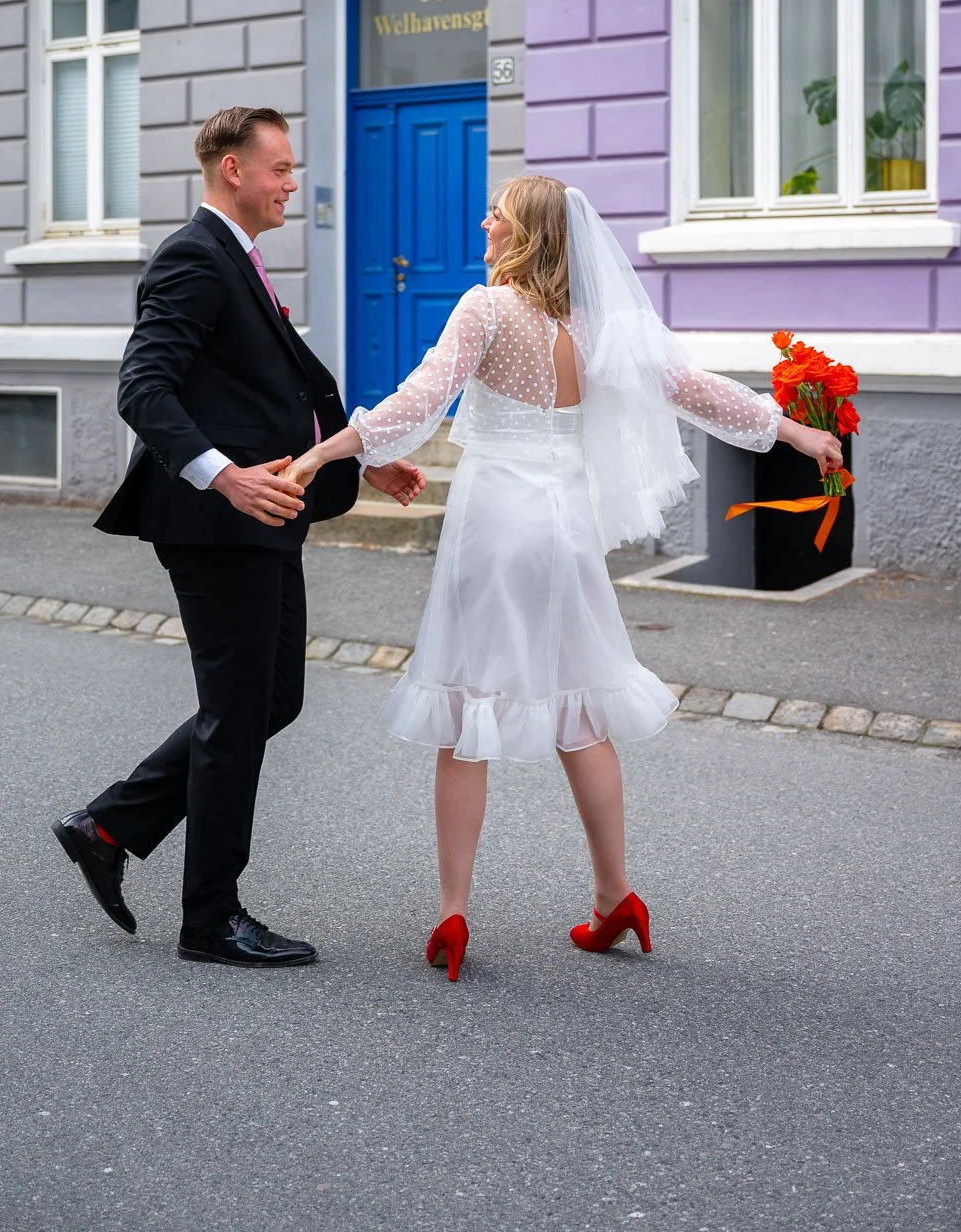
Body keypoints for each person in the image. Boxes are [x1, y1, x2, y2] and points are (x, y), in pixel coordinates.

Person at [283, 175, 841, 980]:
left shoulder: (484, 309)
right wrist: (795, 431)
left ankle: (452, 915)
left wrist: (322, 454)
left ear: (525, 235)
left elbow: (419, 402)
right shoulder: (601, 324)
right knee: (583, 706)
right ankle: (616, 894)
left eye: (497, 215)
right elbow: (695, 392)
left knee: (466, 713)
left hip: (494, 519)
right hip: (567, 526)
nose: (483, 222)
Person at [53, 106, 424, 969]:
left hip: (265, 514)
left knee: (269, 702)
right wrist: (222, 473)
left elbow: (287, 380)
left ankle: (108, 825)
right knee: (235, 712)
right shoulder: (192, 257)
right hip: (220, 520)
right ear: (232, 170)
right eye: (281, 168)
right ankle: (210, 918)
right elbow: (144, 387)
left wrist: (360, 460)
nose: (293, 183)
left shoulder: (238, 260)